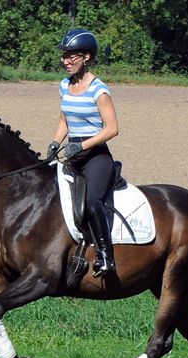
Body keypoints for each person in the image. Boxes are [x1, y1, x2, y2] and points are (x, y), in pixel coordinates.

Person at [45, 28, 119, 278]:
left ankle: (106, 256)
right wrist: (56, 142)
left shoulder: (99, 90)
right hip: (73, 154)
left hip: (96, 156)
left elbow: (112, 129)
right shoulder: (65, 86)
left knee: (91, 201)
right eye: (64, 56)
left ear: (86, 57)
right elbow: (65, 120)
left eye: (71, 57)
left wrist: (83, 145)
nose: (65, 62)